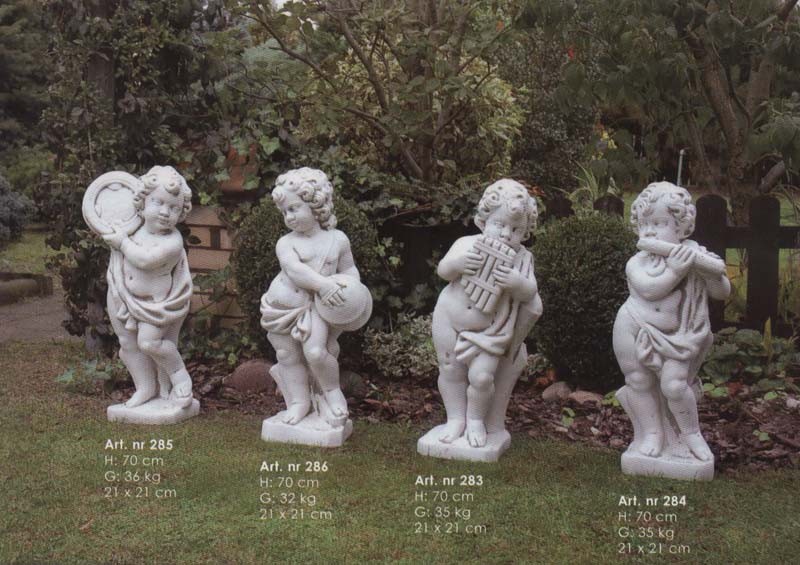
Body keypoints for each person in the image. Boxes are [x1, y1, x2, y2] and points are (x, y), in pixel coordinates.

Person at [613, 182, 730, 461]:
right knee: (638, 380)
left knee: (674, 386)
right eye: (644, 224)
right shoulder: (637, 262)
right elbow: (649, 290)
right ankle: (652, 433)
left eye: (659, 223)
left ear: (681, 227)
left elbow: (721, 293)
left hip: (680, 336)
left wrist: (713, 273)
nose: (650, 231)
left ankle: (691, 433)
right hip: (632, 327)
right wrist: (676, 271)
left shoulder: (695, 253)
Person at [432, 179, 541, 447]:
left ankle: (476, 420)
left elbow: (530, 292)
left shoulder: (523, 259)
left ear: (526, 231)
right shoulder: (466, 244)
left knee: (481, 378)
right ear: (483, 221)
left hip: (490, 330)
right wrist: (458, 264)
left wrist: (516, 283)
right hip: (449, 316)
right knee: (449, 369)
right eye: (499, 224)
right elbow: (443, 271)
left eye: (515, 229)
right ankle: (455, 419)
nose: (505, 235)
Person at [260, 168, 359, 426]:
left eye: (294, 209)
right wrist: (323, 285)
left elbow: (349, 270)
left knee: (315, 352)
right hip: (280, 308)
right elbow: (294, 270)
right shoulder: (286, 242)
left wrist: (352, 292)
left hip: (316, 308)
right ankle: (299, 402)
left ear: (316, 205)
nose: (289, 217)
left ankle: (332, 393)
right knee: (287, 355)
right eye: (285, 212)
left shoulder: (337, 240)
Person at [102, 166, 194, 409]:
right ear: (142, 202)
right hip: (121, 294)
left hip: (155, 305)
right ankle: (145, 387)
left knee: (149, 343)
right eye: (158, 202)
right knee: (127, 343)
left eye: (174, 208)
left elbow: (145, 259)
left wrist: (122, 242)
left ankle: (179, 375)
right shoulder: (132, 228)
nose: (165, 212)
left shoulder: (172, 241)